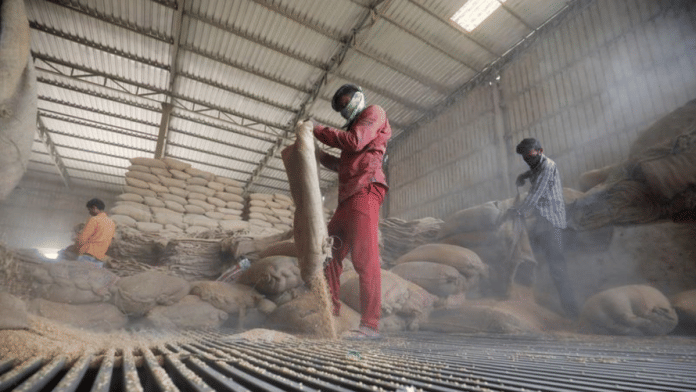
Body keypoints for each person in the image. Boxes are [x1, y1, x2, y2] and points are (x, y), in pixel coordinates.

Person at [312, 84, 391, 340]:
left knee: (364, 259)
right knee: (329, 255)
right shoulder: (354, 131)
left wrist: (316, 129)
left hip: (366, 190)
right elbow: (342, 165)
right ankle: (330, 315)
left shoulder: (373, 113)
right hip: (348, 197)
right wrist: (317, 154)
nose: (344, 110)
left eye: (345, 103)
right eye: (340, 108)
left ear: (357, 97)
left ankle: (370, 325)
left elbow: (355, 142)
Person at [509, 138, 580, 318]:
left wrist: (519, 211)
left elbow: (535, 194)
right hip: (542, 222)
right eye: (525, 158)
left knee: (557, 267)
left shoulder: (548, 167)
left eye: (531, 156)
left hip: (552, 223)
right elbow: (533, 171)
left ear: (541, 150)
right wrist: (523, 176)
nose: (528, 160)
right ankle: (541, 302)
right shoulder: (537, 165)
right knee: (536, 262)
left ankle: (572, 312)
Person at [75, 198, 116, 267]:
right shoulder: (111, 223)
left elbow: (83, 238)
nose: (89, 213)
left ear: (94, 208)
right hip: (100, 258)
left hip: (88, 255)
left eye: (89, 210)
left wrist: (77, 249)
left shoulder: (94, 220)